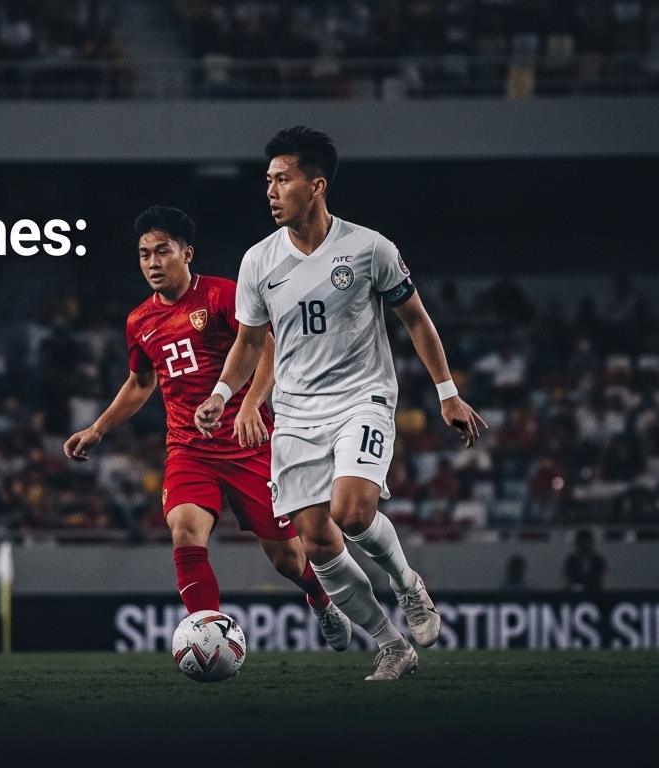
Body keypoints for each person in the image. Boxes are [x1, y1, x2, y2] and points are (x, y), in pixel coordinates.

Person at [195, 126, 487, 681]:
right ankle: (390, 645)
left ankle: (408, 585)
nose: (271, 190)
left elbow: (417, 320)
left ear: (317, 185)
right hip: (297, 413)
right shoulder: (258, 262)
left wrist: (447, 393)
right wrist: (221, 395)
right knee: (319, 544)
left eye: (282, 179)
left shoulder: (369, 248)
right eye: (268, 180)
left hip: (362, 397)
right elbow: (250, 343)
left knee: (352, 513)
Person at [64, 205, 352, 652]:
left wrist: (251, 404)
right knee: (183, 528)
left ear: (187, 253)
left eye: (163, 252)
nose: (153, 263)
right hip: (188, 449)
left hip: (248, 445)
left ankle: (320, 600)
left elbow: (266, 350)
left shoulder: (221, 296)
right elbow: (141, 383)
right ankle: (206, 636)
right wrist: (98, 429)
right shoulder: (139, 322)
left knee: (289, 559)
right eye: (144, 255)